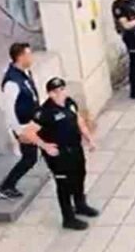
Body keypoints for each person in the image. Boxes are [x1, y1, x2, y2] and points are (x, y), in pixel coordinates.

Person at [23, 77, 99, 230]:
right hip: (59, 155)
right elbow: (28, 133)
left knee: (79, 175)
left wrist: (89, 139)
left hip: (75, 148)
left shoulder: (69, 103)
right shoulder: (44, 112)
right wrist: (45, 146)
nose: (60, 93)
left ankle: (80, 204)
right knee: (64, 185)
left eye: (62, 89)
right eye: (55, 91)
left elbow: (79, 120)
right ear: (50, 94)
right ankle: (68, 218)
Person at [0, 42, 43, 200]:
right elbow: (9, 110)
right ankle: (7, 186)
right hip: (24, 126)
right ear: (20, 57)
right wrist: (19, 131)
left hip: (32, 122)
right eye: (29, 54)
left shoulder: (24, 72)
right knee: (29, 158)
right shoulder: (12, 82)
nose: (32, 57)